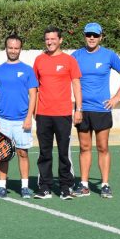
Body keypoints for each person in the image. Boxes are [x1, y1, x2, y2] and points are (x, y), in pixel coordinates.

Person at [72, 22, 120, 199]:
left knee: (102, 146)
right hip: (82, 109)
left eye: (95, 35)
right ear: (84, 36)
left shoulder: (109, 55)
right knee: (84, 147)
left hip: (101, 109)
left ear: (101, 37)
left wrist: (116, 98)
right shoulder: (76, 56)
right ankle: (83, 185)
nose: (92, 38)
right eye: (89, 35)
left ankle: (105, 184)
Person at [33, 26, 82, 200]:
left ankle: (66, 187)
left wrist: (78, 109)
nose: (50, 42)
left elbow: (76, 84)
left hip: (63, 114)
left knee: (63, 152)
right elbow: (35, 88)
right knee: (44, 152)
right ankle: (45, 187)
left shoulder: (69, 60)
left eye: (53, 39)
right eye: (47, 39)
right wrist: (33, 110)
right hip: (43, 114)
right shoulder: (39, 60)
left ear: (60, 40)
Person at [0, 34, 38, 199]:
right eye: (10, 47)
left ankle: (24, 187)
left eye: (16, 48)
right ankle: (2, 186)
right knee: (3, 154)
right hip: (3, 120)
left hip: (22, 120)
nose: (13, 50)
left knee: (22, 153)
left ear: (20, 49)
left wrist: (29, 117)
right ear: (6, 48)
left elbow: (33, 95)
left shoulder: (27, 70)